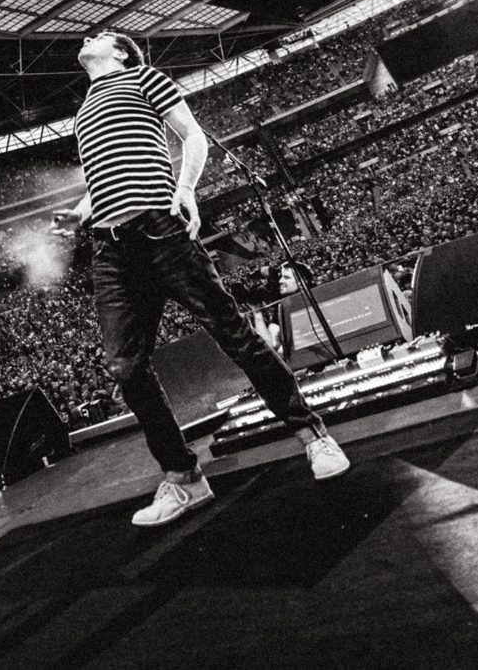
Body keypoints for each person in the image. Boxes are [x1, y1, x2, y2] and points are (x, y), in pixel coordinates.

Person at [65, 30, 348, 527]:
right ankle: (184, 478)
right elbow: (100, 179)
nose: (87, 36)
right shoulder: (84, 110)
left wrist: (187, 189)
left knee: (235, 336)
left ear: (122, 53)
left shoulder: (143, 78)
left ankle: (313, 436)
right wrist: (77, 212)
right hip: (109, 247)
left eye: (100, 35)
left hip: (160, 230)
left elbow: (191, 135)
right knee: (126, 368)